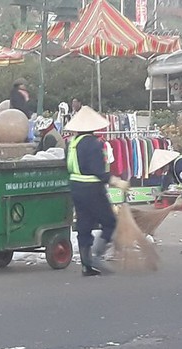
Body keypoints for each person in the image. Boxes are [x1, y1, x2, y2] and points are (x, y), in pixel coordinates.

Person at [66, 106, 130, 276]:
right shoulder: (93, 143)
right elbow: (98, 170)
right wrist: (116, 181)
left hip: (76, 188)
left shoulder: (73, 142)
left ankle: (86, 265)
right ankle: (96, 255)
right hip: (92, 189)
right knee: (110, 222)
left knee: (84, 225)